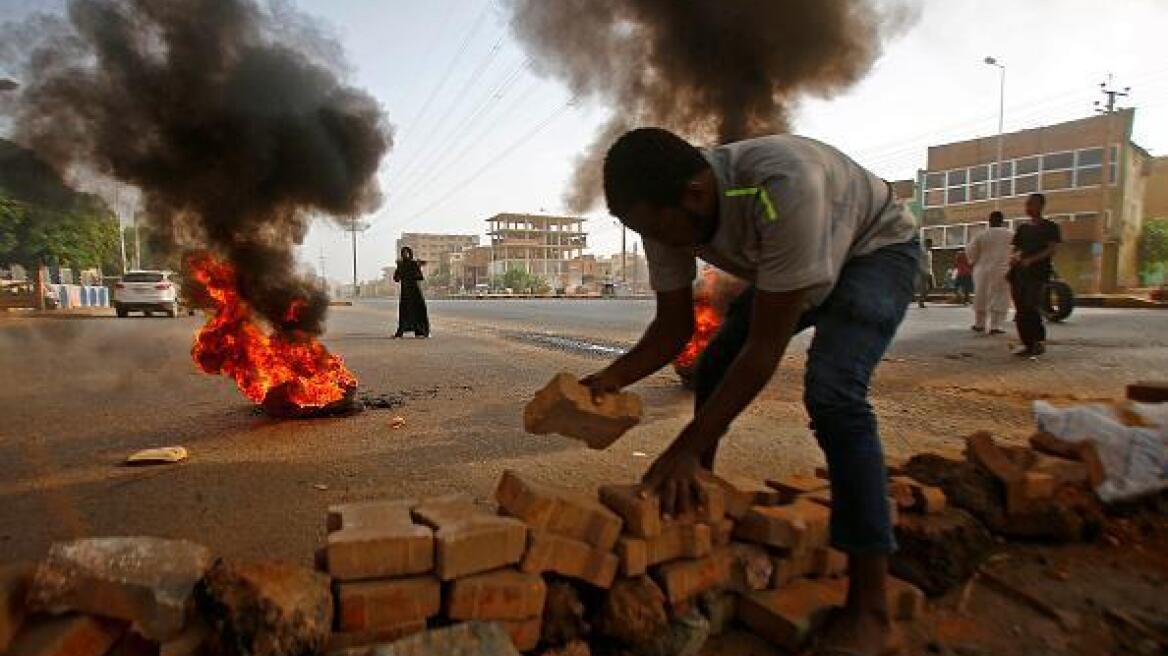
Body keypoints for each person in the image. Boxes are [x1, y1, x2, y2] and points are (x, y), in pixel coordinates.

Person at [582, 128, 918, 656]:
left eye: (657, 229)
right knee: (715, 361)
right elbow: (673, 328)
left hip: (873, 251)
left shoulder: (781, 186)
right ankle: (698, 506)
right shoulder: (662, 214)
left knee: (835, 394)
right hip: (799, 256)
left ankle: (870, 607)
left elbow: (764, 350)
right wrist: (611, 378)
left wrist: (684, 446)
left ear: (695, 194)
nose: (658, 241)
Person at [1008, 193, 1061, 357]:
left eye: (1031, 204)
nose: (1028, 208)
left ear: (1040, 206)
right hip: (1019, 273)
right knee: (1020, 308)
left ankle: (1038, 341)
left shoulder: (1050, 227)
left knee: (1031, 306)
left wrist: (1032, 260)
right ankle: (1027, 343)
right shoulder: (1023, 228)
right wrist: (1014, 257)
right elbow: (1016, 248)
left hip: (1038, 273)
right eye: (1027, 204)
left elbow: (1052, 249)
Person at [966, 211, 1013, 334]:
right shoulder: (1010, 235)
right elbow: (1016, 251)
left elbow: (971, 251)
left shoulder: (981, 235)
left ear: (989, 221)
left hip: (983, 270)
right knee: (1000, 296)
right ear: (1002, 221)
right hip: (1002, 269)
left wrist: (973, 261)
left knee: (981, 296)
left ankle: (979, 324)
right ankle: (996, 326)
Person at [392, 247, 430, 338]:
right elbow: (396, 278)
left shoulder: (414, 263)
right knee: (405, 311)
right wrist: (399, 271)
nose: (405, 254)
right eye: (403, 253)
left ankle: (421, 331)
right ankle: (401, 331)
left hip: (415, 291)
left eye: (407, 253)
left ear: (410, 254)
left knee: (419, 311)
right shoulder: (401, 265)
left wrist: (417, 266)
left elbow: (420, 277)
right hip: (405, 292)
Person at [916, 239, 934, 308]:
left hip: (928, 271)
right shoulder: (922, 251)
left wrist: (930, 272)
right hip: (922, 271)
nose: (931, 245)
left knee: (931, 287)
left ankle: (921, 299)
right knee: (923, 287)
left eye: (931, 244)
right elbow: (918, 261)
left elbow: (929, 263)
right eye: (930, 244)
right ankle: (921, 301)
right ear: (926, 244)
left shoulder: (929, 252)